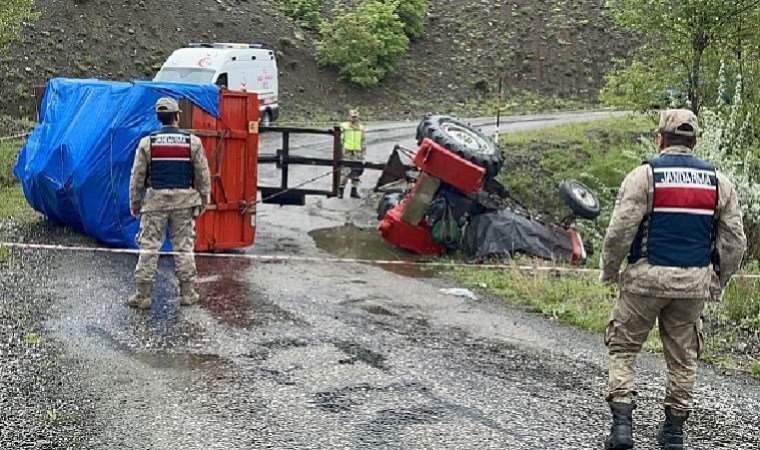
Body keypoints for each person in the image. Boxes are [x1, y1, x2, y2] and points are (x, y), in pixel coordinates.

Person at [600, 109, 746, 450]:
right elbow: (734, 241)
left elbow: (620, 231)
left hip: (644, 282)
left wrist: (609, 271)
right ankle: (674, 434)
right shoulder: (719, 183)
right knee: (683, 358)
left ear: (661, 139)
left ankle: (622, 429)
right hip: (692, 285)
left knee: (623, 348)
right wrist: (719, 280)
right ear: (694, 142)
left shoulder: (643, 176)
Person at [127, 97, 212, 310]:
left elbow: (137, 177)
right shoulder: (192, 142)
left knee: (149, 247)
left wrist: (135, 203)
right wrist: (204, 199)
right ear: (176, 117)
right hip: (184, 203)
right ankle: (188, 293)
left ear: (158, 118)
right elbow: (203, 175)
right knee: (183, 247)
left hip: (155, 203)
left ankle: (143, 295)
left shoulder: (148, 143)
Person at [339, 110, 366, 199]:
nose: (354, 118)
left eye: (356, 116)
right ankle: (341, 191)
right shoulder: (344, 126)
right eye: (352, 116)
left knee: (357, 172)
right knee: (345, 172)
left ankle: (354, 191)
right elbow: (340, 139)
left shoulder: (361, 128)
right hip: (347, 152)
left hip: (357, 152)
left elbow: (363, 141)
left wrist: (363, 153)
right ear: (349, 117)